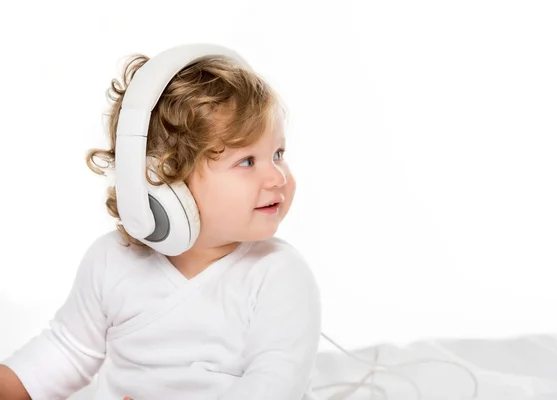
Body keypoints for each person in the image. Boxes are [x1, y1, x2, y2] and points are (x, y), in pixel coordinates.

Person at [0, 45, 322, 400]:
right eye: (247, 161)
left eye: (278, 154)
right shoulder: (112, 261)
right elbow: (65, 352)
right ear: (165, 182)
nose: (277, 177)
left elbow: (275, 385)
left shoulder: (278, 275)